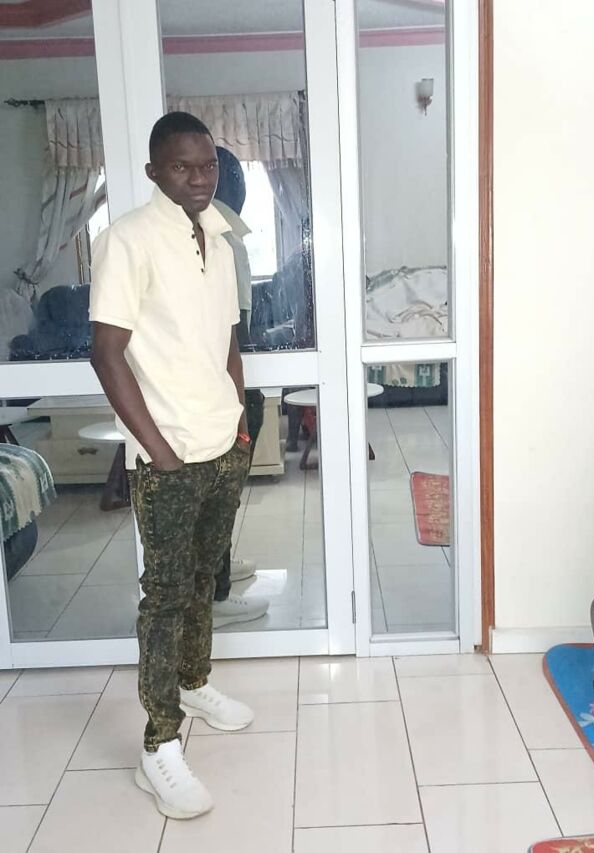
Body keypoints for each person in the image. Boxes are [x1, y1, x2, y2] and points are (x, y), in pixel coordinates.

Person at [90, 111, 255, 820]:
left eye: (208, 165)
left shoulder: (219, 234)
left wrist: (240, 419)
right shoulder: (127, 238)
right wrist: (157, 450)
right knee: (163, 597)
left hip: (221, 443)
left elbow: (228, 337)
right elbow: (106, 352)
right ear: (154, 170)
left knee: (203, 577)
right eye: (182, 166)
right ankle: (158, 744)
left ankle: (194, 682)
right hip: (168, 457)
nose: (198, 178)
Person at [210, 146, 270, 628]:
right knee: (222, 491)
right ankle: (216, 596)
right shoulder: (217, 237)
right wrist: (242, 398)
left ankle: (221, 570)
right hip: (225, 384)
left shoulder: (226, 231)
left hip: (234, 376)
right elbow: (230, 327)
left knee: (227, 490)